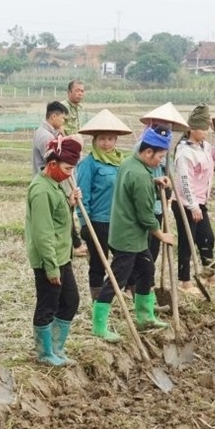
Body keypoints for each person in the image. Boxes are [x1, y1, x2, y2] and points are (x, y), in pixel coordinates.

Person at [105, 127, 176, 333]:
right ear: (147, 153)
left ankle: (145, 317)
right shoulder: (140, 175)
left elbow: (134, 187)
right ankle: (99, 325)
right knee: (117, 280)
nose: (160, 162)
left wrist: (153, 181)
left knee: (146, 270)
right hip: (128, 237)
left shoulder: (129, 163)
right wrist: (161, 235)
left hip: (128, 234)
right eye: (159, 157)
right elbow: (146, 215)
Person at [72, 109, 133, 339]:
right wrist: (83, 221)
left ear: (116, 140)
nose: (107, 143)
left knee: (125, 261)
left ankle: (120, 293)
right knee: (98, 264)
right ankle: (99, 303)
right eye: (102, 139)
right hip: (97, 220)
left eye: (110, 139)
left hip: (119, 221)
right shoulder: (89, 164)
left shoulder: (121, 162)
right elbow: (82, 195)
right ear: (95, 140)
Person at [26, 134, 84, 366]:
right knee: (48, 304)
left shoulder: (55, 185)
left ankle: (56, 348)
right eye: (68, 168)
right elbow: (43, 233)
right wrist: (51, 267)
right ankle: (44, 353)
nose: (70, 173)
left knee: (70, 301)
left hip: (62, 254)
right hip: (48, 259)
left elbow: (59, 220)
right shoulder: (41, 190)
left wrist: (69, 202)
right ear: (52, 164)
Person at [172, 105, 215, 293]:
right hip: (184, 202)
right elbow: (184, 182)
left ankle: (209, 275)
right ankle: (185, 282)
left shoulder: (205, 147)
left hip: (200, 201)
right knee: (187, 241)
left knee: (207, 238)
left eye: (206, 129)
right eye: (202, 128)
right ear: (191, 129)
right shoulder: (183, 152)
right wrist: (192, 206)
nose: (205, 132)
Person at [32, 101, 68, 175]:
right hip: (46, 180)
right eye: (63, 118)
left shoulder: (44, 132)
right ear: (54, 117)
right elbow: (54, 162)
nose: (63, 121)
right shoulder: (46, 136)